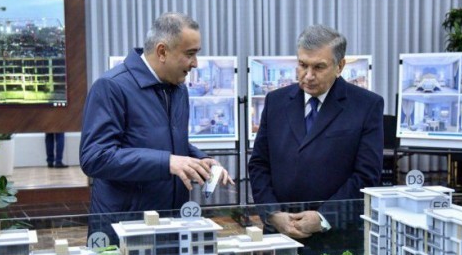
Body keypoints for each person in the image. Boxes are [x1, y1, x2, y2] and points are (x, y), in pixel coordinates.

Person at [80, 12, 233, 241]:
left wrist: (197, 159)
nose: (195, 63)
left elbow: (165, 140)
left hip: (170, 224)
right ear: (162, 51)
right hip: (126, 230)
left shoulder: (178, 88)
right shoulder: (111, 87)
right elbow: (95, 157)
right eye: (190, 54)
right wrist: (167, 162)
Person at [248, 24, 384, 241]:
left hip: (337, 236)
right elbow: (259, 165)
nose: (308, 76)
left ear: (339, 66)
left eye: (319, 67)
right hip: (280, 233)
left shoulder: (366, 106)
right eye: (302, 65)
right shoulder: (276, 101)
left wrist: (324, 217)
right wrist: (273, 214)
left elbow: (366, 175)